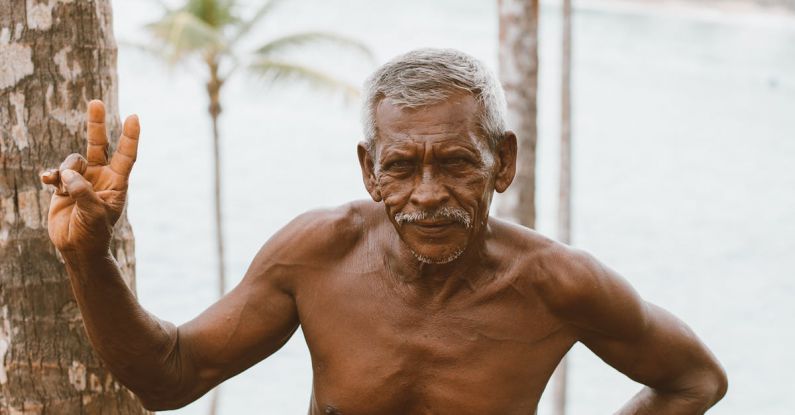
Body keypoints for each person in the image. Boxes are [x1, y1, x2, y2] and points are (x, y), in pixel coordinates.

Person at [42, 48, 727, 414]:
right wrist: (88, 258)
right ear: (370, 171)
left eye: (456, 162)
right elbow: (169, 378)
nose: (427, 195)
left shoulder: (557, 284)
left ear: (503, 163)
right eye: (402, 166)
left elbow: (694, 379)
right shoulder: (316, 254)